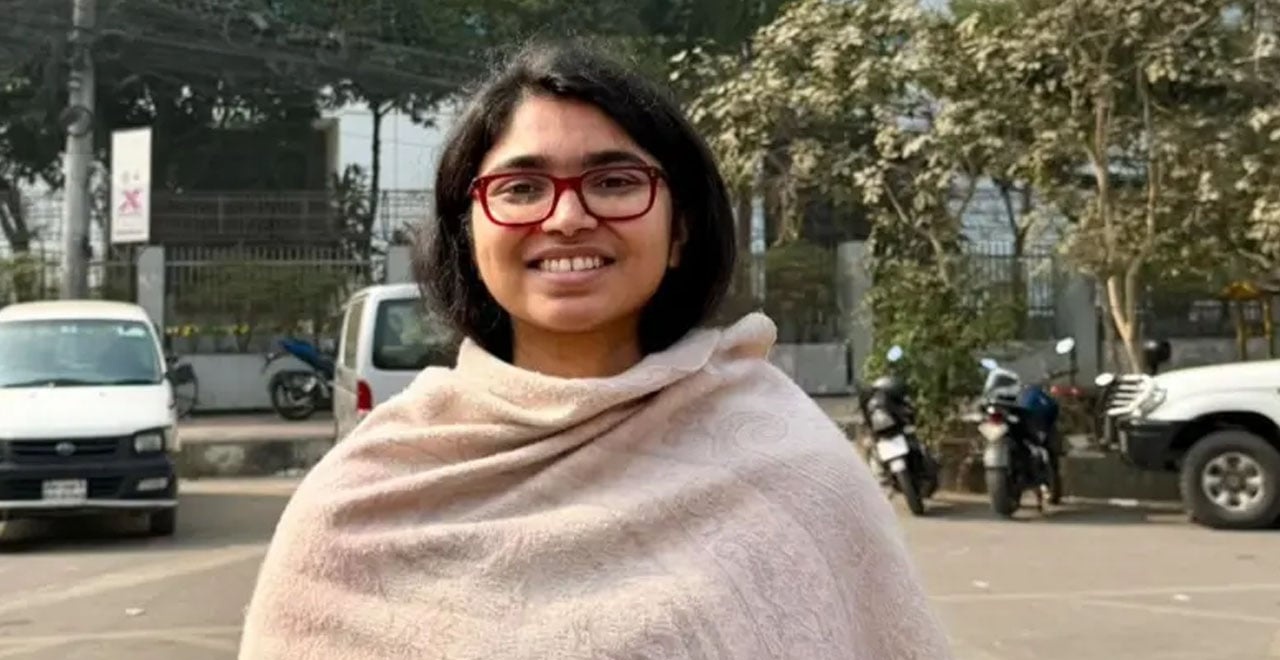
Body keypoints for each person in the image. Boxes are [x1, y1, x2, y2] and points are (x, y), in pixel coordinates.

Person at [239, 38, 954, 660]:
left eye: (615, 182)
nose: (568, 217)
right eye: (522, 187)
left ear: (680, 231)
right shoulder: (364, 500)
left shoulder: (791, 464)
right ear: (468, 232)